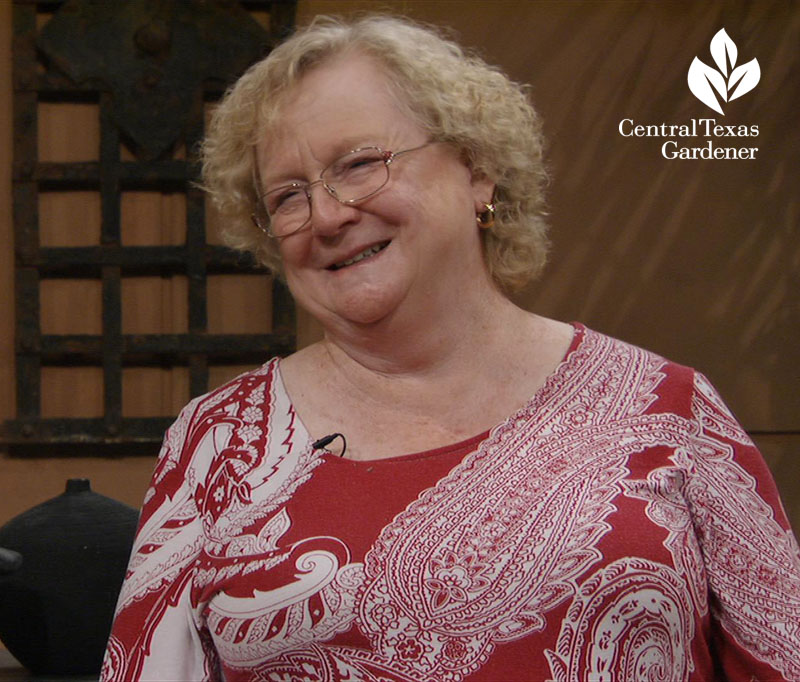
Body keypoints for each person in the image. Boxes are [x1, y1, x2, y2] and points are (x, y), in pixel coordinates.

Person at [101, 14, 800, 682]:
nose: (328, 214)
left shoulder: (670, 411)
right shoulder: (216, 445)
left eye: (360, 163)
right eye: (287, 196)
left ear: (476, 169)